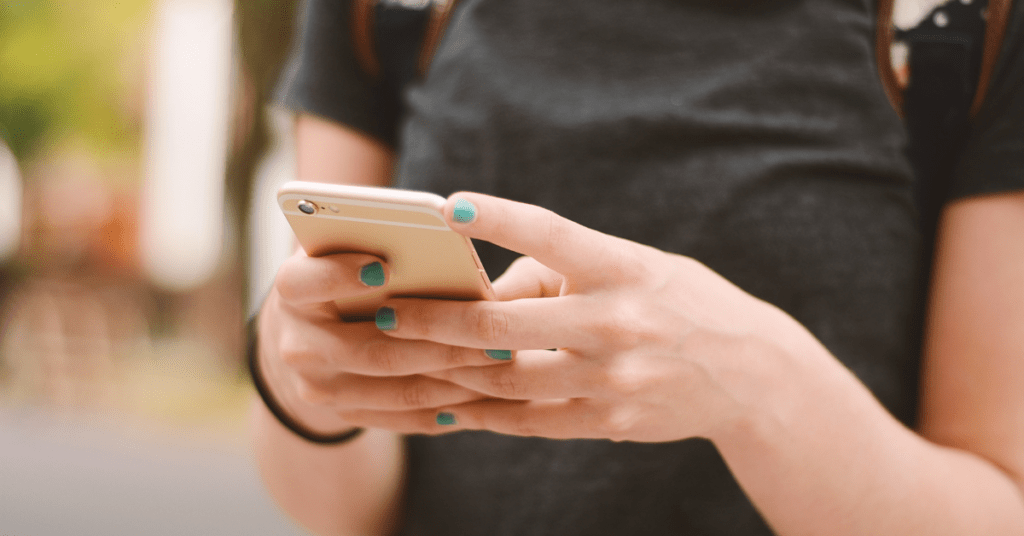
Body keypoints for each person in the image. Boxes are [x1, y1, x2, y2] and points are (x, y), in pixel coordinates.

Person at [250, 0, 1024, 534]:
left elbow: (1000, 504)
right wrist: (298, 376)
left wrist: (757, 385)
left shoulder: (967, 23)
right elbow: (346, 512)